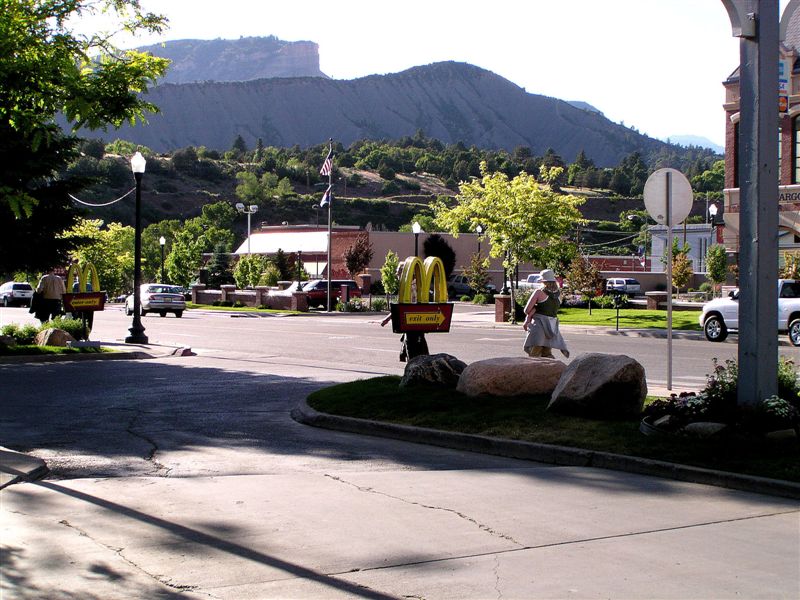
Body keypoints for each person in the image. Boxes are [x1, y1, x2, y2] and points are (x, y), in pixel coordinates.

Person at [522, 268, 569, 358]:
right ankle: (551, 371)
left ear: (543, 281)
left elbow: (527, 310)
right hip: (552, 326)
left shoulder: (539, 292)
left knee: (534, 353)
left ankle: (534, 372)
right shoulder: (559, 294)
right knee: (547, 353)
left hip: (539, 325)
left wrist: (534, 309)